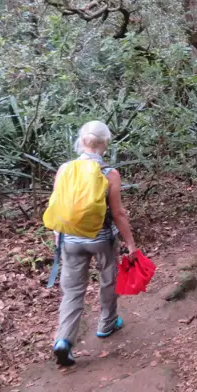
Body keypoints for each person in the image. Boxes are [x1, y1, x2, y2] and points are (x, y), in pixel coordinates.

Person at [49, 121, 138, 367]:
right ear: (105, 143)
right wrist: (131, 244)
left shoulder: (65, 169)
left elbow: (56, 204)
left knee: (73, 290)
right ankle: (107, 323)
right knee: (108, 279)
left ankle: (63, 340)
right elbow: (118, 213)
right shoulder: (109, 174)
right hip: (101, 239)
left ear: (82, 141)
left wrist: (58, 235)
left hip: (70, 240)